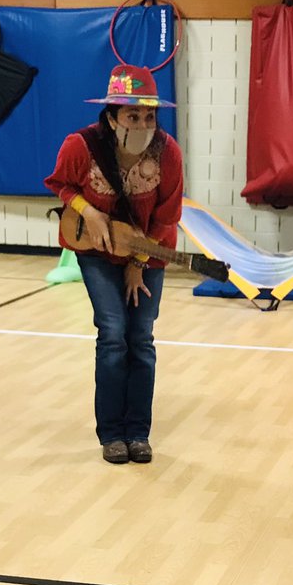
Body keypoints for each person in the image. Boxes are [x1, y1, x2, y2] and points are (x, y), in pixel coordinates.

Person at [45, 64, 183, 465]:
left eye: (150, 115)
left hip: (150, 252)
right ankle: (111, 434)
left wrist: (139, 261)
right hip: (97, 252)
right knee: (112, 333)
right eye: (132, 115)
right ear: (111, 116)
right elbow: (60, 185)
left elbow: (167, 215)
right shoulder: (81, 146)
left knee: (141, 338)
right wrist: (88, 212)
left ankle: (138, 432)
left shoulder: (167, 153)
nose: (143, 123)